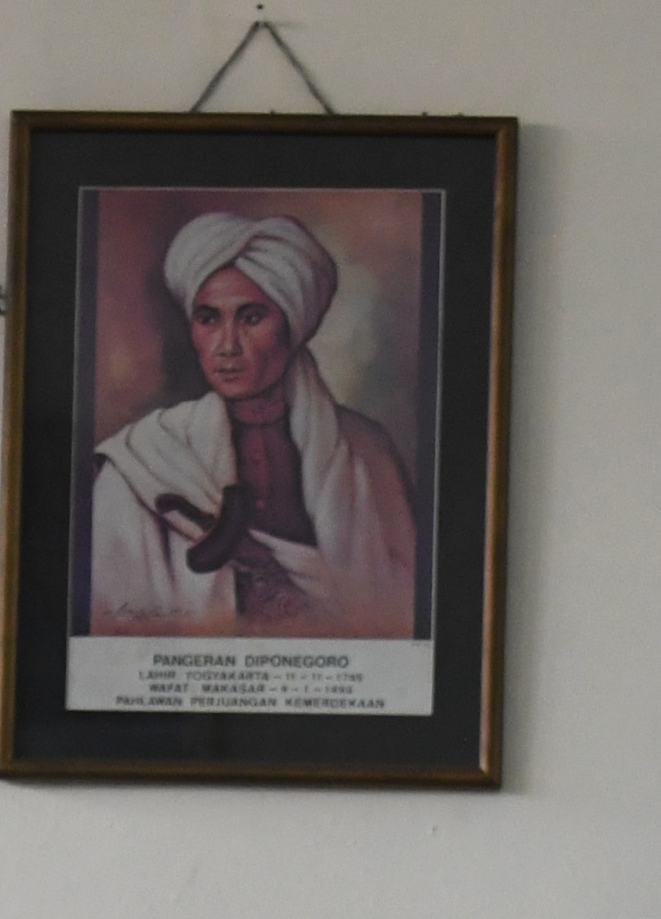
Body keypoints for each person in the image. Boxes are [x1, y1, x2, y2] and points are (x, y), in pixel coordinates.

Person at [87, 211, 418, 638]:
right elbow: (113, 628)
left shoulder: (367, 451)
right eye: (209, 319)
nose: (227, 346)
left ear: (292, 326)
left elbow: (403, 614)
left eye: (251, 317)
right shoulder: (141, 459)